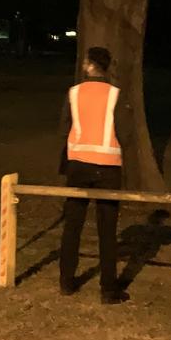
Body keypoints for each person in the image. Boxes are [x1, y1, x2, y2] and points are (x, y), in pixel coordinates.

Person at [59, 46, 129, 304]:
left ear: (89, 65)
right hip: (108, 166)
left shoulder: (74, 93)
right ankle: (108, 289)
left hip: (78, 164)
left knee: (72, 226)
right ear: (108, 67)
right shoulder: (115, 95)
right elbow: (124, 133)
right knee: (107, 229)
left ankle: (67, 281)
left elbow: (64, 127)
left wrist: (64, 163)